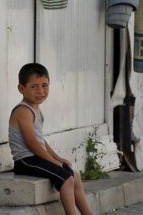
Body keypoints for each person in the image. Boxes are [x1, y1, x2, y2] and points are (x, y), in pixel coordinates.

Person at [8, 63, 93, 215]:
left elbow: (41, 141)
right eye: (34, 86)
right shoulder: (23, 110)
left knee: (75, 174)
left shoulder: (35, 108)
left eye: (45, 85)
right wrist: (52, 161)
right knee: (67, 179)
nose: (40, 91)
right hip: (26, 161)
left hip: (37, 158)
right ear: (21, 88)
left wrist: (58, 158)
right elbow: (32, 143)